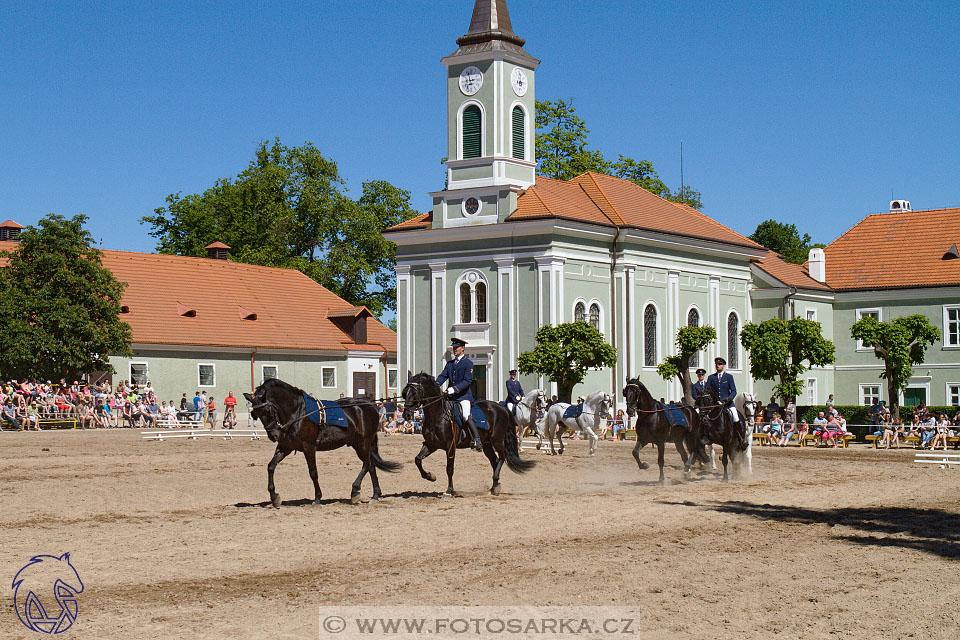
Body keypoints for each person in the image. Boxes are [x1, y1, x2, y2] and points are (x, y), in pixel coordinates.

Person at [436, 337, 481, 450]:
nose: (454, 349)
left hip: (463, 397)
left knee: (465, 415)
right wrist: (436, 384)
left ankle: (476, 439)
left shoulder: (468, 363)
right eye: (453, 347)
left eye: (457, 347)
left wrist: (454, 389)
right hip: (450, 397)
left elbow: (467, 381)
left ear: (463, 349)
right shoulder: (450, 364)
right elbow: (443, 376)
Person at [705, 357, 739, 423]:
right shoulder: (711, 377)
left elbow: (734, 391)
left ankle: (738, 433)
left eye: (720, 364)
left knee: (735, 417)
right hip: (715, 404)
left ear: (723, 366)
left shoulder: (729, 377)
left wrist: (729, 398)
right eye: (716, 364)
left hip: (727, 404)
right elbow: (707, 390)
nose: (717, 365)